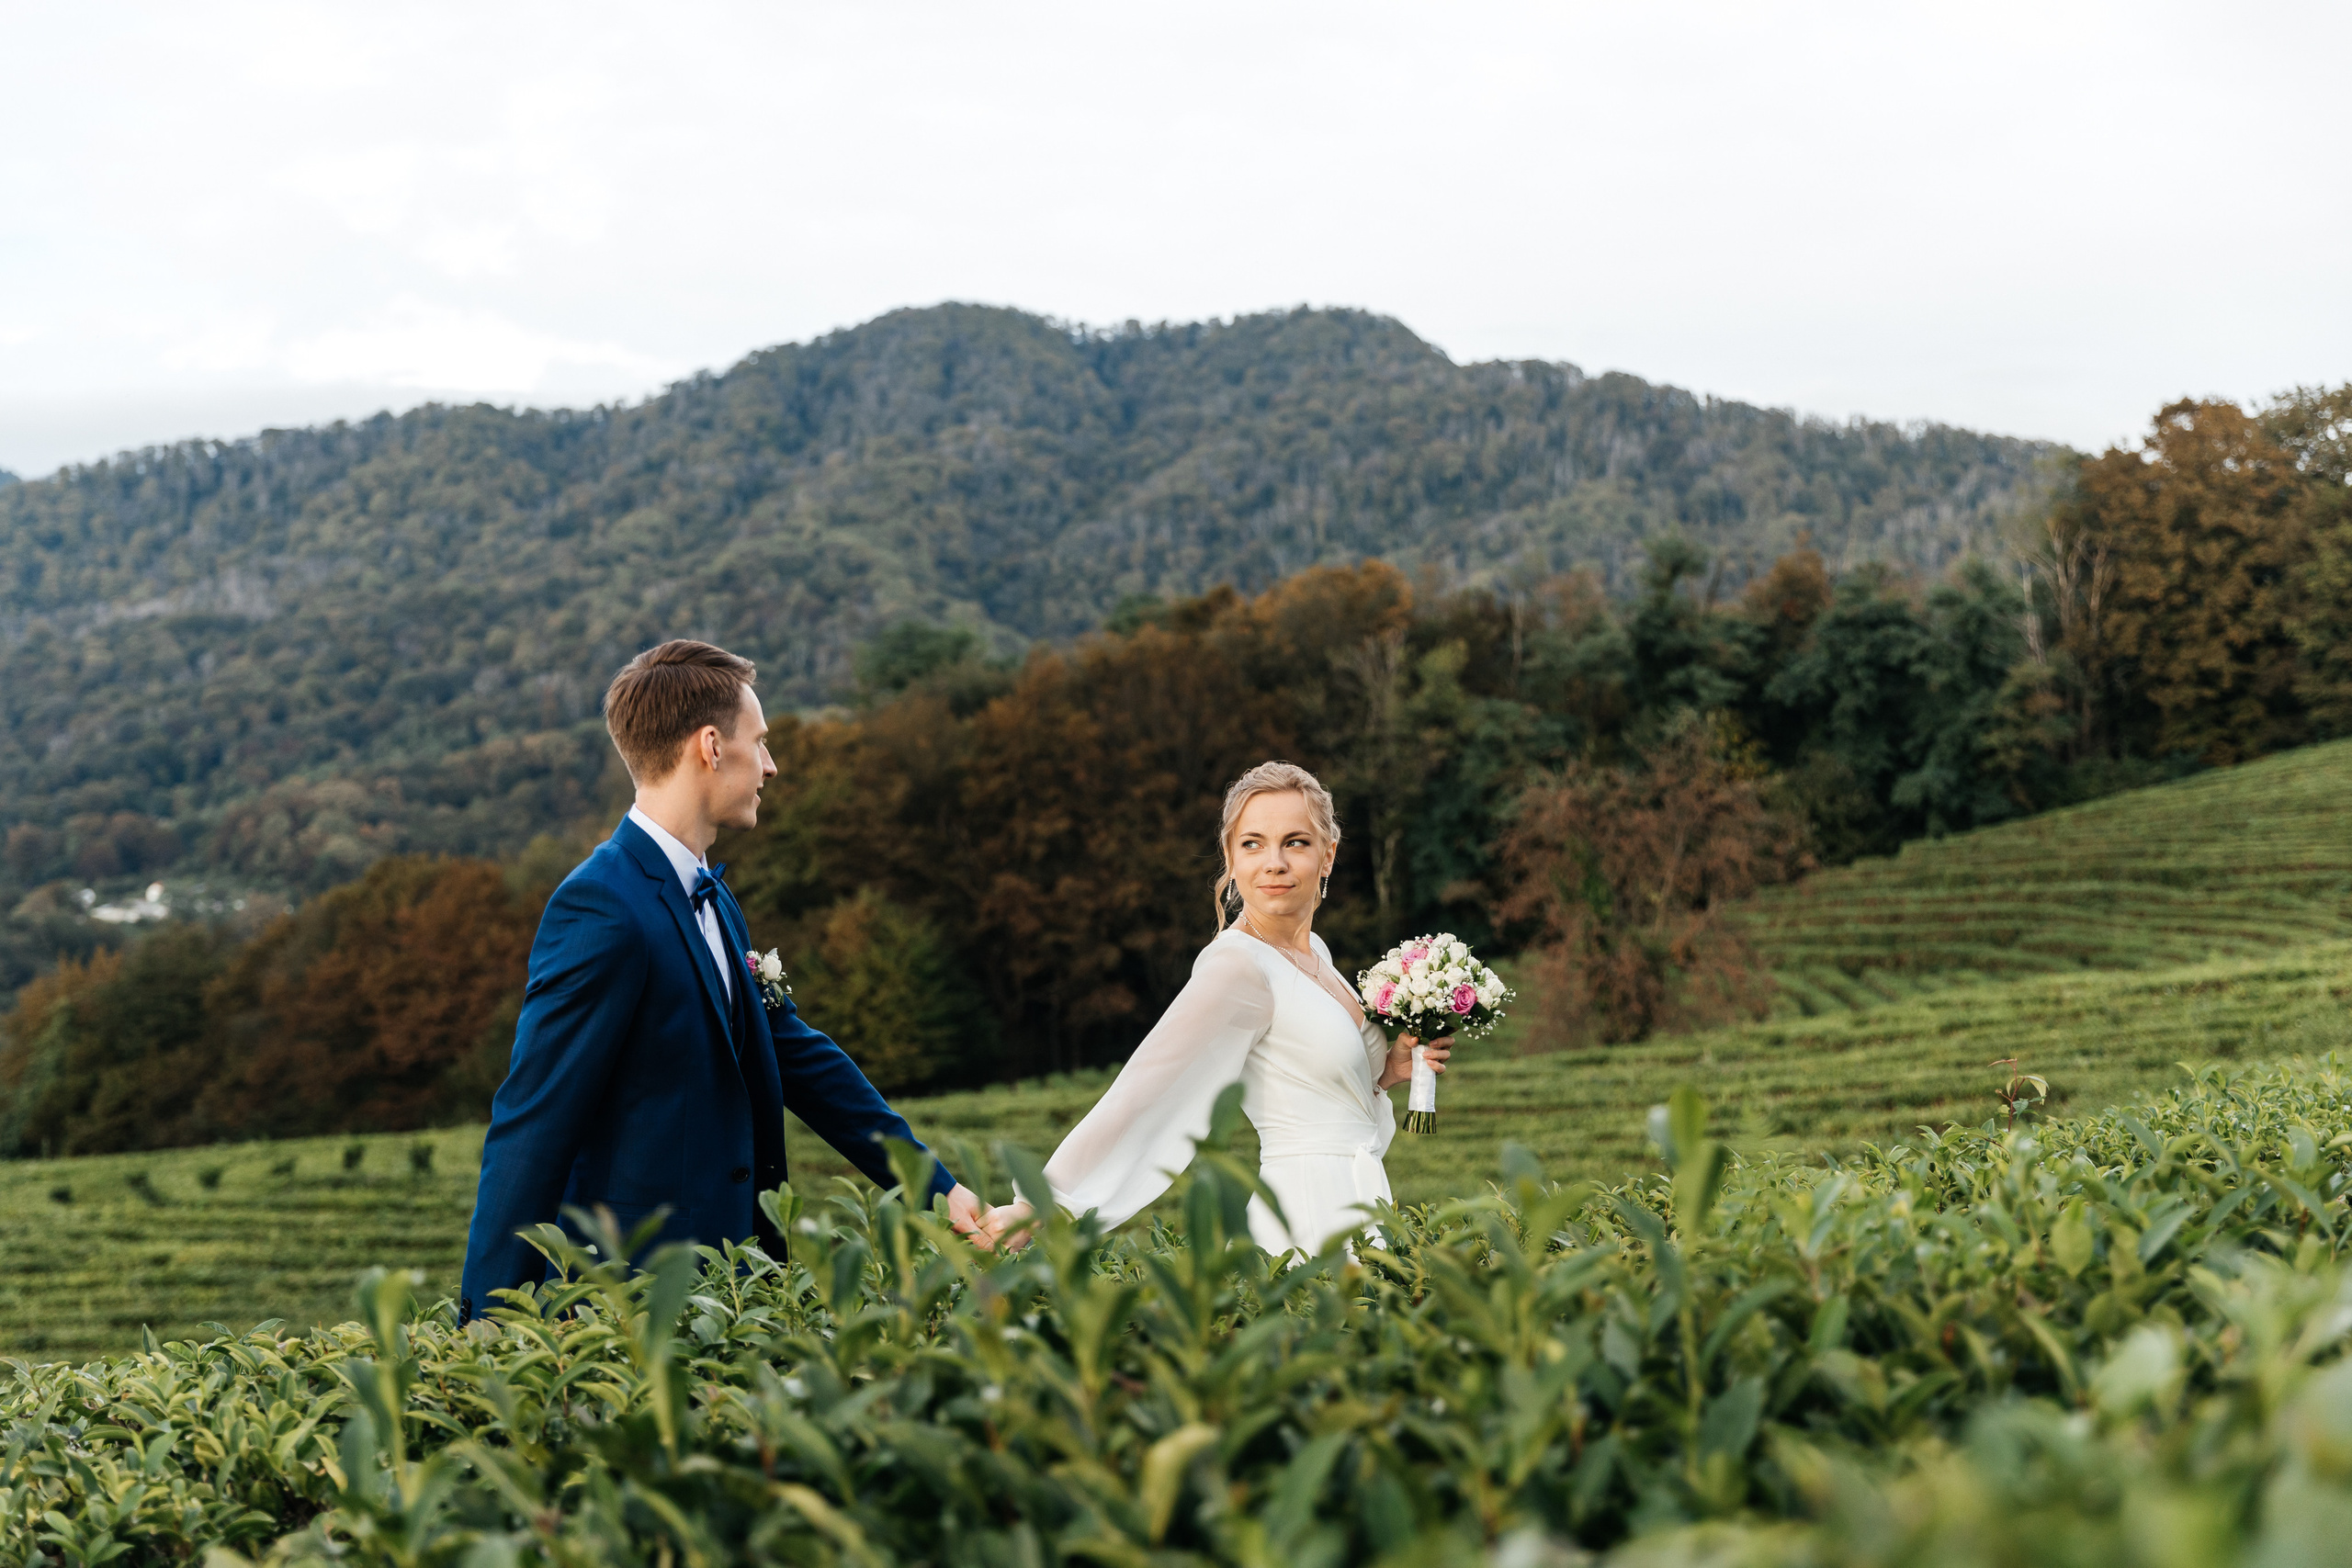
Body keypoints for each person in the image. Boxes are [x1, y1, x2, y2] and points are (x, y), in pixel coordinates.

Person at [459, 639, 989, 1321]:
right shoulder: (600, 907)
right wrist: (483, 1327)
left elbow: (801, 1058)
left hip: (738, 1295)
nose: (770, 764)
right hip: (634, 1307)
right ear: (710, 745)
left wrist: (942, 1195)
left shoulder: (715, 899)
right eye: (759, 741)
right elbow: (531, 1124)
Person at [981, 761, 1449, 1256]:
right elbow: (1143, 1090)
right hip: (1306, 1215)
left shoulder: (1319, 956)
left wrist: (1386, 1072)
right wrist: (1040, 1204)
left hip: (1364, 1199)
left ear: (1328, 855)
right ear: (1230, 857)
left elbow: (1321, 1090)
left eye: (1295, 841)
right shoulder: (1238, 964)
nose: (1274, 862)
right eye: (1252, 844)